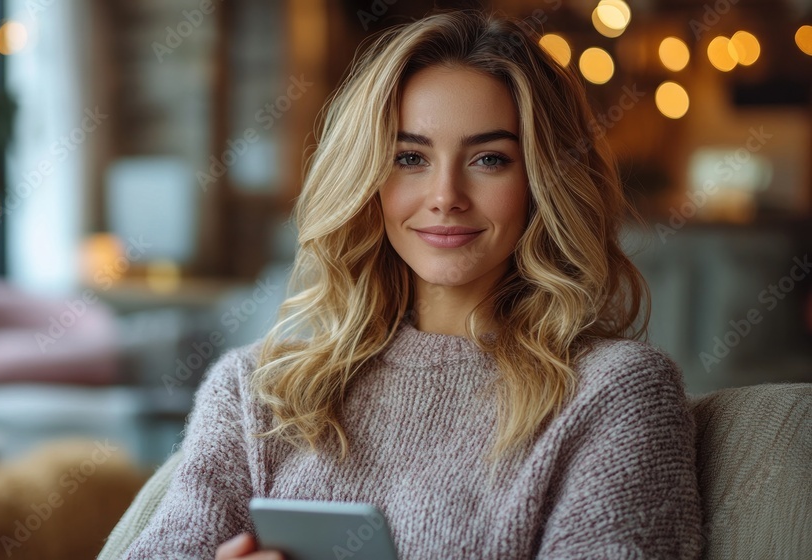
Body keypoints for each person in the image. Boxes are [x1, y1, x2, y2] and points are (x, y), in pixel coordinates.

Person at [124, 10, 704, 560]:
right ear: (367, 178)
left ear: (542, 182)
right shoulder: (255, 394)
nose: (445, 195)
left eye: (489, 159)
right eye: (409, 157)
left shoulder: (615, 393)